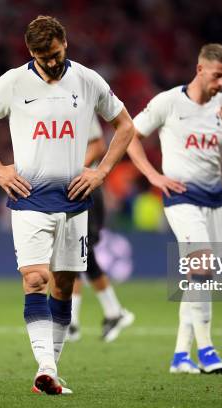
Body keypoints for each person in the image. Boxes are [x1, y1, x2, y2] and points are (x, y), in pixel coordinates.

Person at [0, 16, 134, 395]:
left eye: (55, 54)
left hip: (75, 200)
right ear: (31, 52)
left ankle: (52, 372)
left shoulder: (89, 80)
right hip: (29, 199)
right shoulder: (13, 82)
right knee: (36, 279)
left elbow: (125, 126)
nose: (51, 62)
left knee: (63, 284)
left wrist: (101, 171)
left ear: (65, 44)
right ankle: (44, 367)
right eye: (42, 56)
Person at [127, 44, 222, 374]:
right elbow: (129, 135)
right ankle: (207, 349)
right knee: (202, 265)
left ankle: (181, 355)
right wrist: (153, 176)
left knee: (201, 277)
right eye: (217, 75)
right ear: (200, 70)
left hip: (215, 200)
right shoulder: (168, 102)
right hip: (180, 197)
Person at [67, 118, 134, 343]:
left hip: (86, 187)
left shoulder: (81, 107)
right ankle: (111, 313)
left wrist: (74, 172)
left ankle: (73, 322)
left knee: (78, 253)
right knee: (76, 253)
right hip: (71, 188)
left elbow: (97, 145)